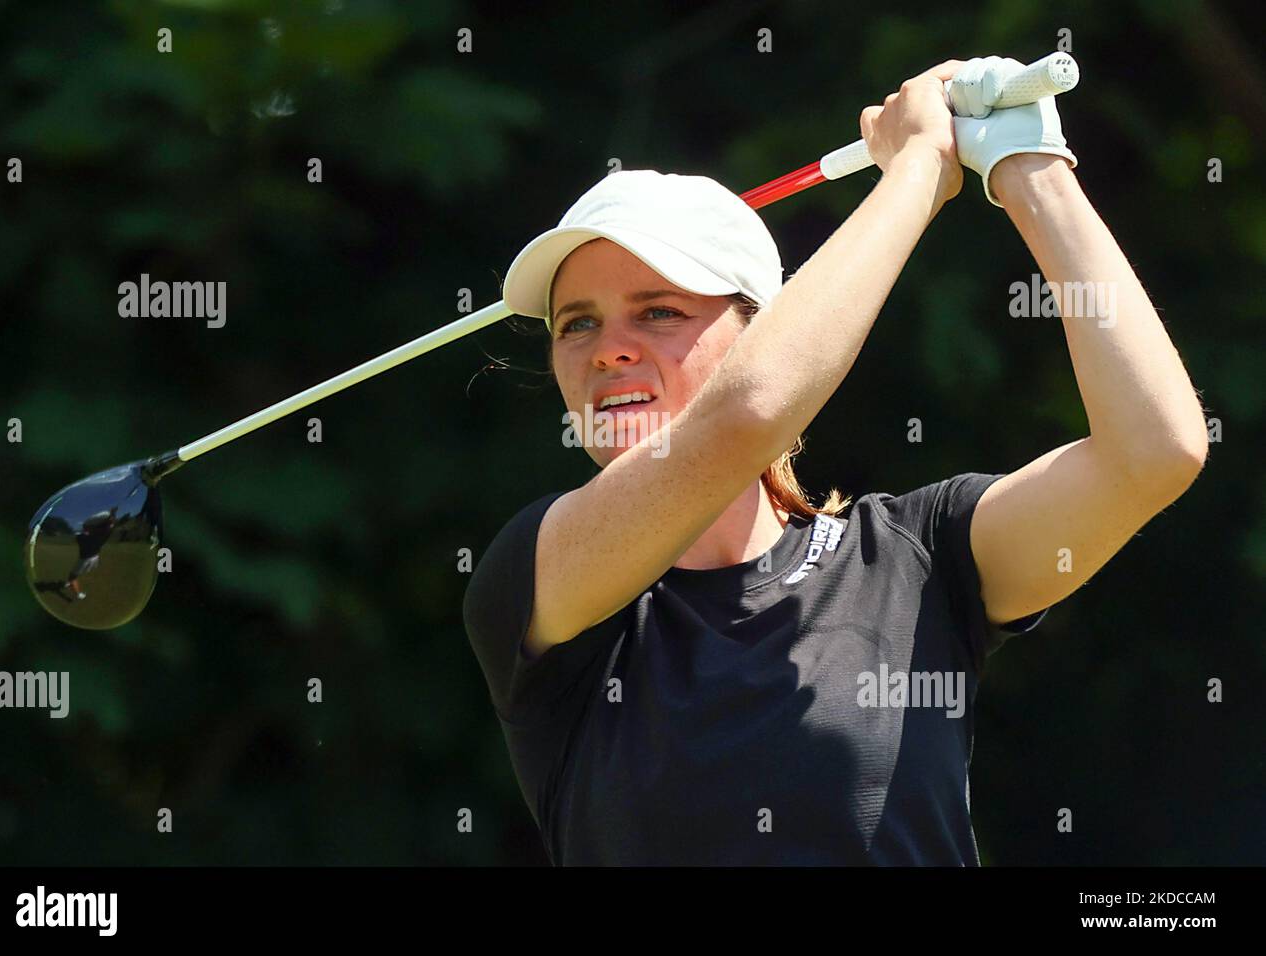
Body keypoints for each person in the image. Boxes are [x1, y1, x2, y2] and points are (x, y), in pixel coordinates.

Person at [462, 57, 1209, 865]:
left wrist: (1028, 165)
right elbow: (743, 420)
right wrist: (919, 167)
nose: (609, 350)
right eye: (577, 324)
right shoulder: (535, 578)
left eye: (660, 311)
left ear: (762, 332)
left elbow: (1155, 450)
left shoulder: (915, 555)